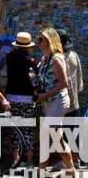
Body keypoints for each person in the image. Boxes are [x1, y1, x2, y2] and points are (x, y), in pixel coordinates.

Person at [37, 28, 75, 174]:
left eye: (41, 39)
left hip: (58, 101)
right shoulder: (44, 59)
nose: (38, 42)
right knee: (57, 138)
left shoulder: (56, 59)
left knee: (46, 135)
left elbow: (63, 83)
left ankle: (40, 172)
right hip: (48, 102)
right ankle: (71, 168)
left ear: (49, 40)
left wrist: (44, 95)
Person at [5, 32, 37, 166]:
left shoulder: (9, 57)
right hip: (27, 98)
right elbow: (34, 79)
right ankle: (29, 160)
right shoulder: (31, 60)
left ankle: (16, 159)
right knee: (27, 128)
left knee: (14, 128)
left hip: (11, 96)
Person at [58, 29, 83, 117]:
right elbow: (79, 78)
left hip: (60, 106)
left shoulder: (56, 59)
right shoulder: (74, 55)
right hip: (74, 104)